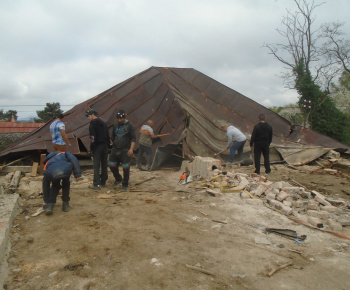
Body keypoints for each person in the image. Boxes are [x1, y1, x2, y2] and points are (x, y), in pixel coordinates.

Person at [42, 151, 81, 215]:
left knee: (55, 186)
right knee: (66, 184)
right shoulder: (65, 153)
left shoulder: (47, 165)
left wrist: (45, 201)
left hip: (53, 171)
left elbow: (45, 186)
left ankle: (50, 206)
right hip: (66, 169)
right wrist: (77, 174)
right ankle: (65, 204)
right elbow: (74, 160)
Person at [109, 110, 136, 191]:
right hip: (115, 148)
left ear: (124, 117)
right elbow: (113, 137)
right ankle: (118, 179)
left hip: (125, 149)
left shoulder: (130, 125)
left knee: (125, 167)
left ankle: (125, 184)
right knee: (111, 165)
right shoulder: (115, 125)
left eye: (121, 118)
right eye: (118, 118)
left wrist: (131, 149)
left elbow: (133, 138)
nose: (119, 120)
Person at [86, 110, 110, 190]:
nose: (88, 118)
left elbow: (92, 137)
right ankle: (103, 182)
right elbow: (107, 136)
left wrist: (91, 148)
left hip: (97, 146)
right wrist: (107, 145)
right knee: (104, 164)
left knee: (96, 165)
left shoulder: (93, 124)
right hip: (105, 146)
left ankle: (96, 183)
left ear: (93, 115)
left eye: (88, 116)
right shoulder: (103, 123)